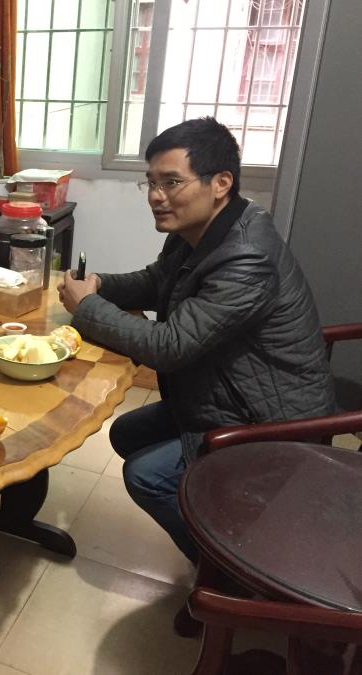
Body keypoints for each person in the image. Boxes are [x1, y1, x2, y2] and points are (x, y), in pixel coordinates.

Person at [57, 117, 335, 564]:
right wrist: (98, 285)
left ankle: (231, 570)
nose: (156, 196)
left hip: (269, 424)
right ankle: (217, 521)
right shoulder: (199, 231)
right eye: (150, 183)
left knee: (147, 477)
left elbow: (170, 346)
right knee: (125, 431)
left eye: (171, 182)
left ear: (220, 183)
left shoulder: (246, 255)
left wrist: (88, 307)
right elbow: (157, 281)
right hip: (220, 396)